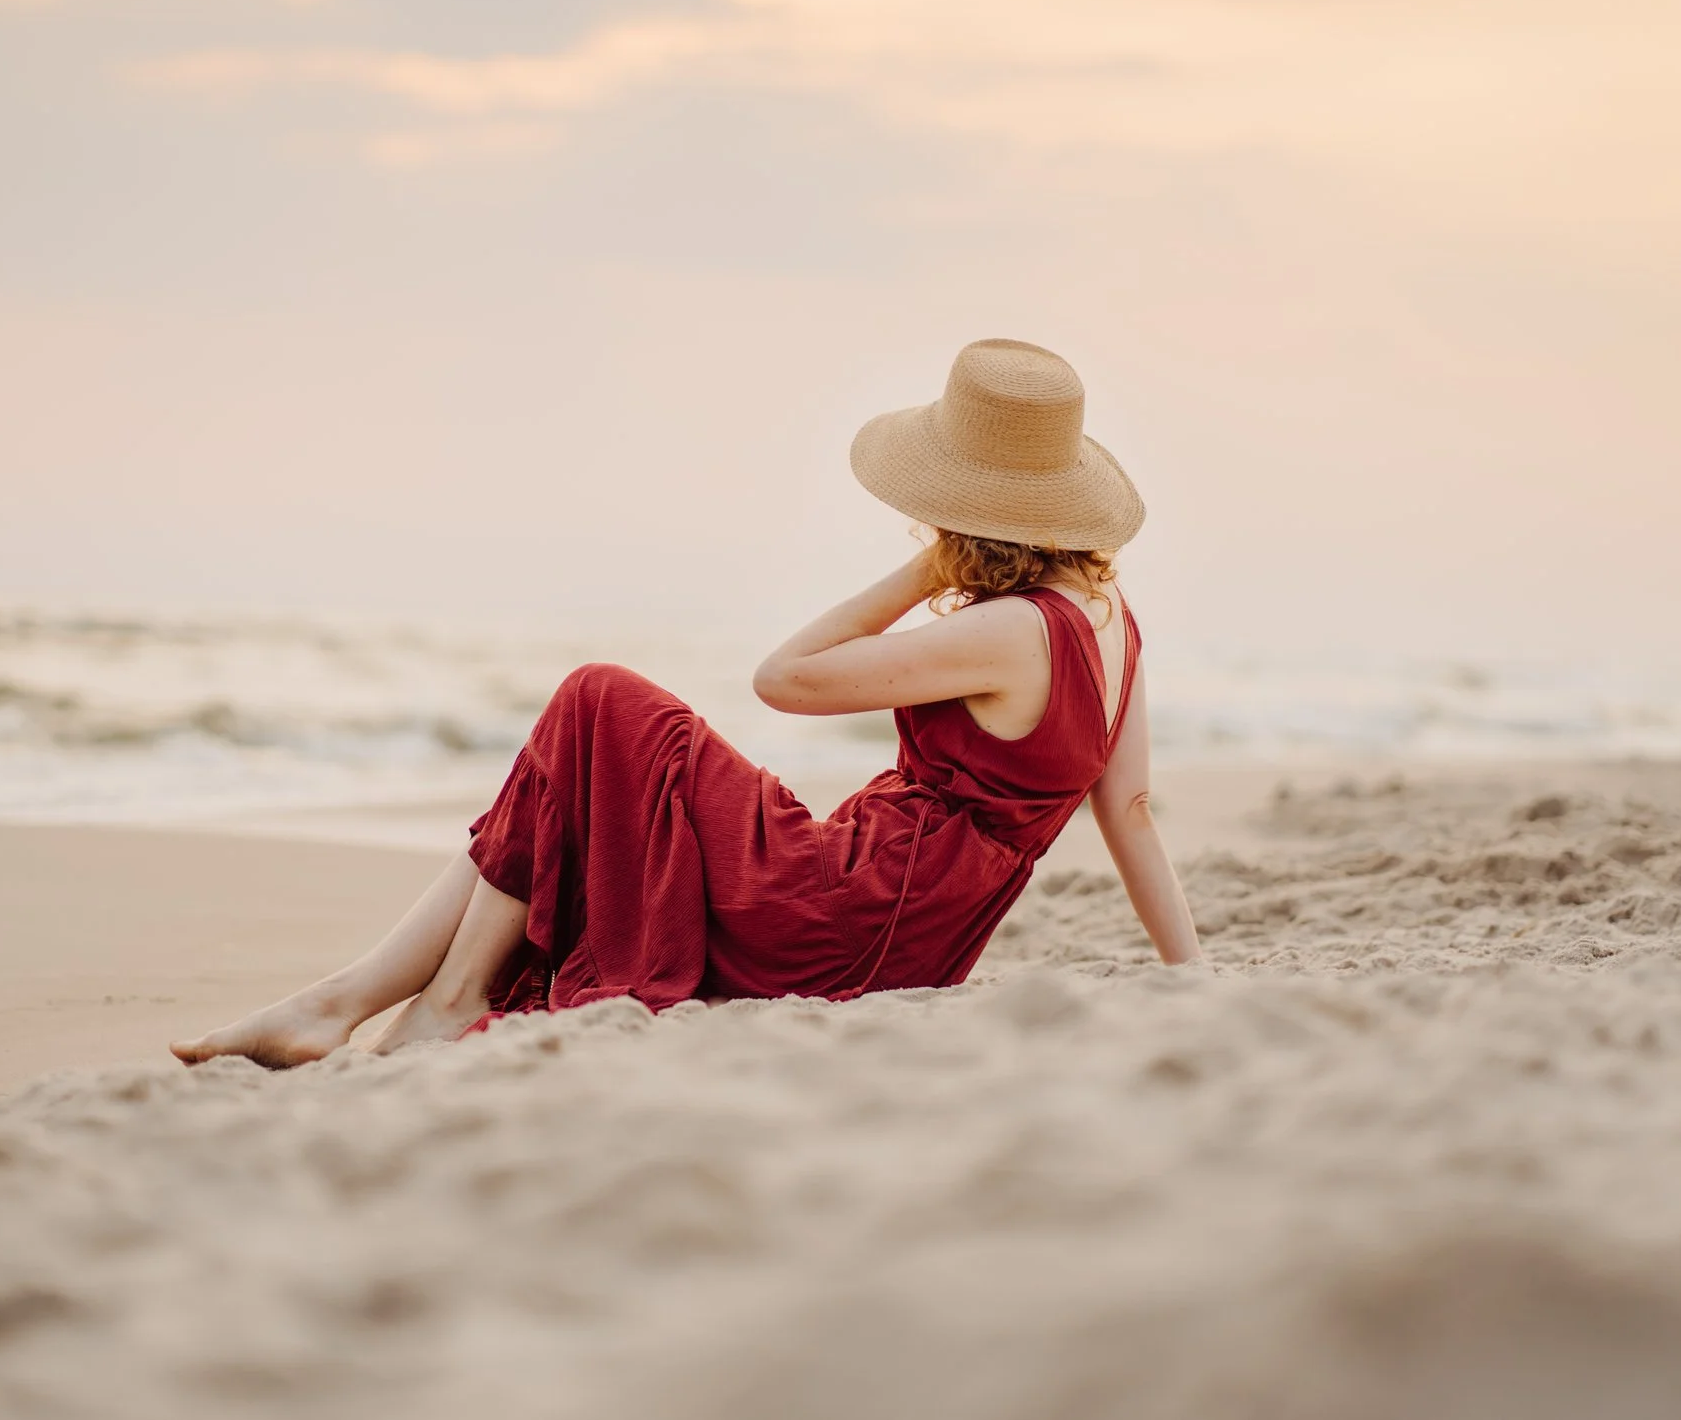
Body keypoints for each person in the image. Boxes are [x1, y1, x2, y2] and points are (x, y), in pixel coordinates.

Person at [171, 338, 1203, 1068]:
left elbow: (785, 676)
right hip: (910, 929)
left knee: (597, 701)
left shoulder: (1005, 630)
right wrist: (1190, 974)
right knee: (587, 743)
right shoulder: (1112, 621)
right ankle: (356, 997)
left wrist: (918, 575)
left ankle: (422, 998)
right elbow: (1132, 811)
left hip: (846, 912)